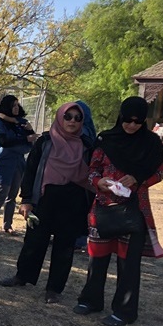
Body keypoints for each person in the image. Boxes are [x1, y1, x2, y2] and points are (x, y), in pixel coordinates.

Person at [73, 96, 163, 326]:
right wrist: (99, 182)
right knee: (98, 258)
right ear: (120, 117)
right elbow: (92, 169)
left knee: (128, 264)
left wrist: (138, 179)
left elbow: (161, 171)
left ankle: (124, 311)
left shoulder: (152, 142)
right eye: (127, 120)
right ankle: (91, 300)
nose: (131, 125)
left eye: (137, 121)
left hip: (134, 210)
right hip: (103, 208)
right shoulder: (106, 139)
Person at [0, 102, 94, 303]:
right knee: (34, 242)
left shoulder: (86, 145)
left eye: (77, 118)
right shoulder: (46, 142)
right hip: (44, 199)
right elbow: (31, 171)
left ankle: (54, 289)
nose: (72, 121)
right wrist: (25, 200)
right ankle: (22, 276)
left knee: (64, 247)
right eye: (68, 116)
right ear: (60, 117)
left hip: (72, 202)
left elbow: (93, 175)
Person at [0, 95, 36, 235]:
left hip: (18, 163)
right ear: (7, 106)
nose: (16, 108)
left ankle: (8, 225)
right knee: (1, 194)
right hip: (5, 163)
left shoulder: (22, 122)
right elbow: (4, 142)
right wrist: (23, 139)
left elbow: (31, 142)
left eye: (18, 105)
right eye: (13, 105)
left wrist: (29, 131)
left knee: (12, 196)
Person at [74, 100, 97, 251]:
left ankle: (80, 240)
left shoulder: (84, 132)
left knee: (80, 208)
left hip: (81, 177)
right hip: (79, 176)